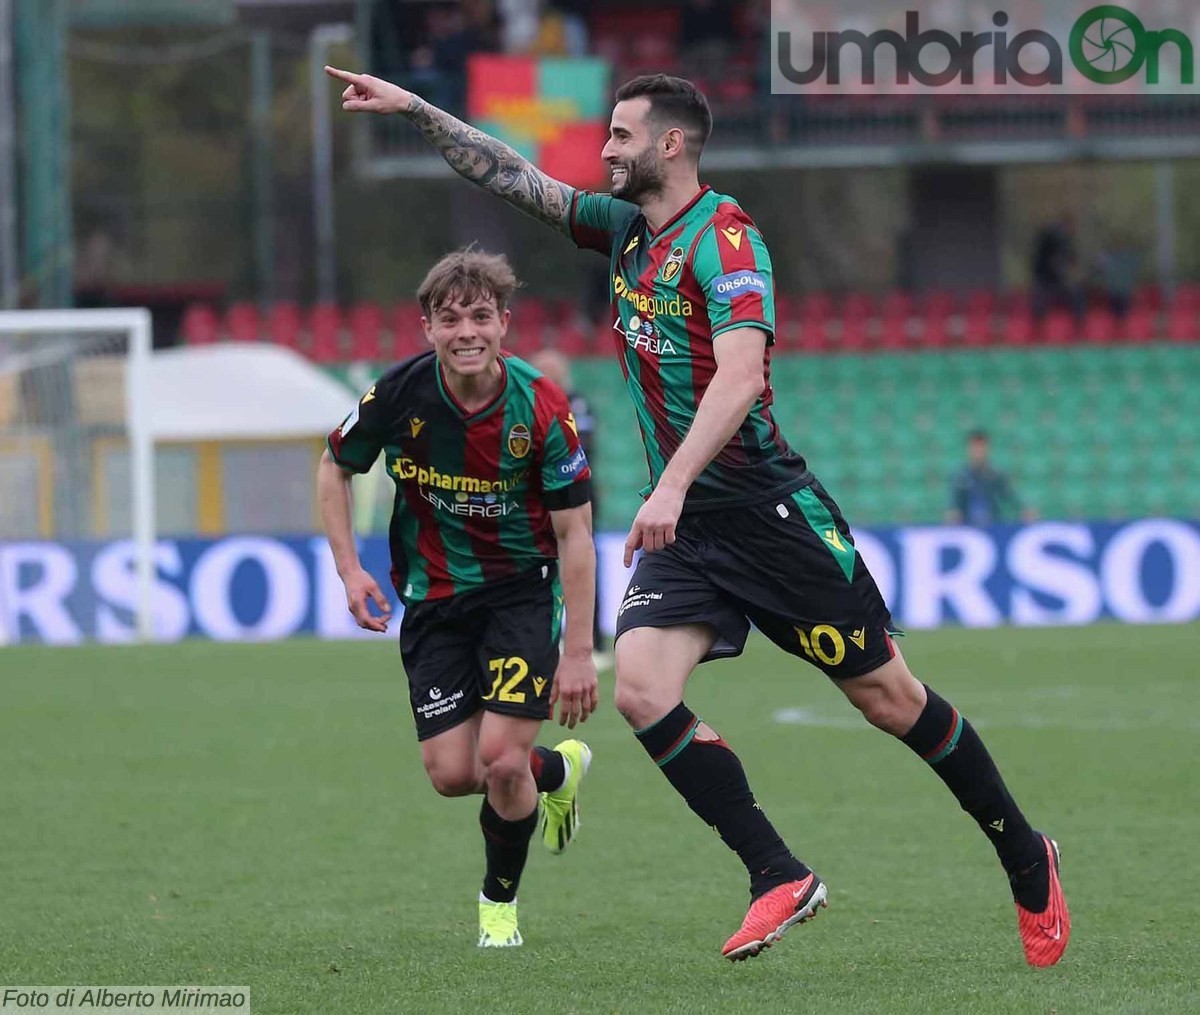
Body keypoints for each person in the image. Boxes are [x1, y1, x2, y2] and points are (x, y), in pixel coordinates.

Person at [323, 66, 1071, 968]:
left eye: (620, 135)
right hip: (692, 532)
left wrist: (669, 484)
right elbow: (511, 176)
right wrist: (413, 108)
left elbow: (743, 375)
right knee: (639, 687)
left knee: (890, 700)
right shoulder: (624, 229)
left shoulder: (727, 241)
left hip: (767, 513)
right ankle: (776, 873)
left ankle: (1029, 857)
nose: (604, 149)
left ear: (669, 145)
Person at [316, 249, 599, 949]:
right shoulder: (398, 395)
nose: (466, 330)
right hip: (435, 602)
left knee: (501, 759)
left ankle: (497, 905)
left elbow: (575, 534)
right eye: (450, 319)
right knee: (452, 775)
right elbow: (333, 467)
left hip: (519, 595)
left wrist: (578, 654)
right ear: (427, 328)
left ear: (504, 323)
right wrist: (352, 571)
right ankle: (558, 770)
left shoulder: (541, 404)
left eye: (480, 316)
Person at [526, 348, 607, 656]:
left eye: (551, 371)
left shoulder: (577, 403)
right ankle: (543, 640)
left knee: (582, 562)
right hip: (536, 499)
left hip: (576, 497)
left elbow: (578, 447)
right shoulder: (529, 405)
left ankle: (593, 642)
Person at [947, 429, 1035, 527]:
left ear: (988, 448)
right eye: (975, 447)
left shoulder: (996, 475)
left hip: (994, 525)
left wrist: (1025, 509)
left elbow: (1011, 496)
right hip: (968, 528)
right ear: (968, 449)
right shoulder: (960, 476)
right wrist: (953, 515)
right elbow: (954, 504)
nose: (978, 451)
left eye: (981, 447)